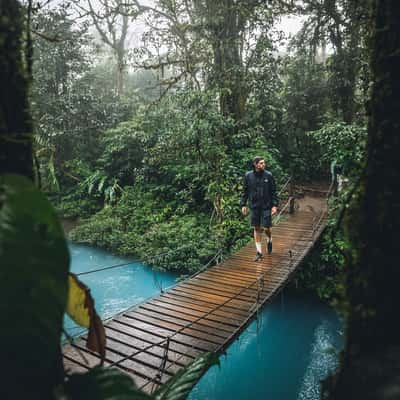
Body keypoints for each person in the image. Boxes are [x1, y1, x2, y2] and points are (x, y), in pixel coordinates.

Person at [240, 156, 278, 261]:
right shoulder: (248, 176)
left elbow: (273, 191)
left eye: (264, 163)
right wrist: (243, 204)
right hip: (254, 206)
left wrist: (274, 205)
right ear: (255, 164)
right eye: (261, 163)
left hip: (266, 205)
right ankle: (259, 252)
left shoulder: (268, 175)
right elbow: (245, 191)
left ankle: (269, 239)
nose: (263, 165)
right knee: (256, 228)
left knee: (266, 228)